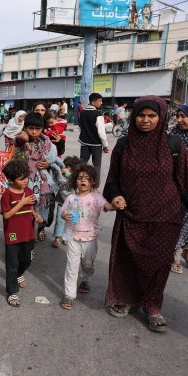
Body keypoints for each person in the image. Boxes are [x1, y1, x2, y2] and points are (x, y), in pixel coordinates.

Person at [103, 96, 188, 333]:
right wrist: (115, 195)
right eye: (141, 115)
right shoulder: (123, 145)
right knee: (127, 260)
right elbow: (112, 181)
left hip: (166, 215)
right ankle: (128, 299)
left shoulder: (174, 146)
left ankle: (153, 306)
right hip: (131, 214)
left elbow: (185, 181)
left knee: (158, 264)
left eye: (152, 116)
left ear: (161, 118)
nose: (146, 120)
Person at [59, 164, 115, 310]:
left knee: (88, 264)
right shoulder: (71, 198)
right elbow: (63, 212)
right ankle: (69, 295)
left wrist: (115, 204)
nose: (82, 181)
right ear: (74, 181)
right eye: (79, 178)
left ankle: (86, 279)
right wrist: (64, 215)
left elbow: (107, 206)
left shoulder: (96, 197)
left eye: (87, 178)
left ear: (92, 182)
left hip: (90, 238)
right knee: (71, 267)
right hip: (72, 237)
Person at [15, 112, 63, 242]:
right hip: (26, 181)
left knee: (44, 211)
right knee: (26, 210)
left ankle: (39, 228)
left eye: (37, 128)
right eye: (31, 128)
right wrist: (23, 137)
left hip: (44, 184)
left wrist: (48, 162)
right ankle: (27, 234)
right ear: (25, 127)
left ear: (42, 128)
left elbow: (54, 154)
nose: (34, 132)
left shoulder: (47, 141)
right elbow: (19, 140)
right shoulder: (21, 140)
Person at [1, 159, 43, 307]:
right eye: (21, 179)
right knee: (12, 264)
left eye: (26, 177)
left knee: (27, 260)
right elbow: (6, 215)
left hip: (28, 234)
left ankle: (19, 274)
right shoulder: (7, 195)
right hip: (12, 236)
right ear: (11, 180)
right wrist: (21, 203)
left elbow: (30, 208)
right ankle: (12, 291)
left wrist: (35, 215)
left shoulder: (29, 191)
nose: (25, 181)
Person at [169, 103, 188, 274]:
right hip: (177, 185)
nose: (179, 120)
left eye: (183, 116)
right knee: (180, 221)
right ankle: (175, 256)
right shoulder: (173, 135)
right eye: (178, 116)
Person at [52, 156, 83, 248]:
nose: (65, 168)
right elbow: (55, 180)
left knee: (72, 221)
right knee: (59, 220)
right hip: (62, 202)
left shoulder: (75, 177)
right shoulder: (61, 174)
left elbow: (75, 182)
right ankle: (58, 237)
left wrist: (67, 174)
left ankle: (67, 237)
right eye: (65, 166)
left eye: (68, 167)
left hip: (74, 204)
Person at [78, 93, 109, 184]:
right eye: (99, 101)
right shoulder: (97, 113)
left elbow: (83, 126)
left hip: (84, 142)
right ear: (93, 102)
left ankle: (79, 181)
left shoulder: (83, 111)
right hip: (96, 144)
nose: (101, 103)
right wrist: (105, 145)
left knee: (82, 164)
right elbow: (101, 131)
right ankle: (95, 184)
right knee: (97, 165)